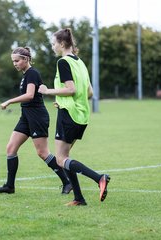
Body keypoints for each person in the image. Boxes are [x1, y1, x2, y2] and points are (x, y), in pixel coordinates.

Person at [38, 28, 110, 206]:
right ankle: (79, 198)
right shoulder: (81, 63)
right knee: (65, 158)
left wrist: (48, 91)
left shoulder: (63, 62)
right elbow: (90, 93)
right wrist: (62, 101)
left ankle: (99, 178)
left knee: (61, 159)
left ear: (62, 44)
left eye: (54, 43)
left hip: (68, 115)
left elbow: (71, 90)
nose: (53, 46)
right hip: (81, 116)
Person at [0, 47, 72, 194]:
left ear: (26, 59)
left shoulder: (32, 74)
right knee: (10, 149)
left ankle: (67, 182)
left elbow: (29, 95)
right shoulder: (25, 75)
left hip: (37, 116)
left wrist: (9, 101)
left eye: (17, 61)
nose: (14, 64)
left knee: (42, 152)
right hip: (26, 116)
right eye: (13, 61)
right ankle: (9, 186)